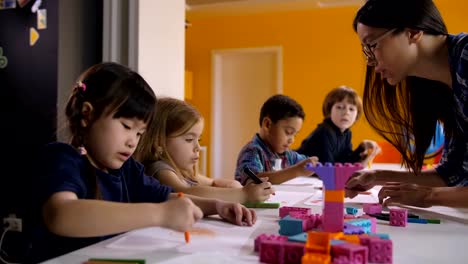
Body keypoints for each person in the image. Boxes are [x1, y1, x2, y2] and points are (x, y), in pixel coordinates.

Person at [29, 62, 256, 263]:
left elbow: (168, 196)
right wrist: (160, 214)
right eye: (127, 127)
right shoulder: (62, 159)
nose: (132, 142)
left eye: (139, 134)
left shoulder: (127, 170)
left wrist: (216, 206)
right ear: (87, 115)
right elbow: (62, 215)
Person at [345, 0, 468, 208]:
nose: (370, 61)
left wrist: (428, 197)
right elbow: (451, 174)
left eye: (372, 45)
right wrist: (376, 175)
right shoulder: (444, 87)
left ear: (412, 32)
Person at [135, 97, 274, 203]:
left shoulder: (184, 171)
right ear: (160, 142)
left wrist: (230, 184)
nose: (197, 148)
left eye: (198, 140)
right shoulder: (159, 169)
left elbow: (212, 182)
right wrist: (244, 194)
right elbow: (184, 193)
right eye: (189, 140)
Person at [235, 94, 318, 185]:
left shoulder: (288, 155)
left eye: (295, 135)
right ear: (267, 125)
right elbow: (254, 179)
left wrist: (314, 165)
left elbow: (306, 164)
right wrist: (296, 171)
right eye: (288, 132)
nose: (292, 140)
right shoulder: (252, 151)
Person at [296, 86, 380, 166]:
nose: (346, 112)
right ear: (329, 111)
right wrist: (363, 162)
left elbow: (345, 160)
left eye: (351, 109)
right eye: (339, 107)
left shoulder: (346, 133)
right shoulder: (325, 132)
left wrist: (362, 147)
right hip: (293, 167)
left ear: (356, 115)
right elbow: (328, 167)